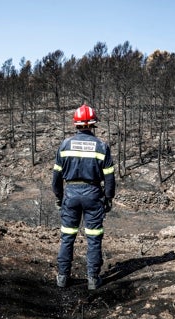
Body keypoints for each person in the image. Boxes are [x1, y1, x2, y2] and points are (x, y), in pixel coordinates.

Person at [52, 104, 115, 290]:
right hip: (93, 195)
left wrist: (59, 197)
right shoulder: (102, 147)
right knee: (94, 238)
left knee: (67, 237)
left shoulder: (65, 145)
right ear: (93, 124)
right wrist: (108, 198)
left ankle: (63, 277)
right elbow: (109, 178)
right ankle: (93, 280)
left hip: (70, 195)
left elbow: (56, 177)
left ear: (76, 124)